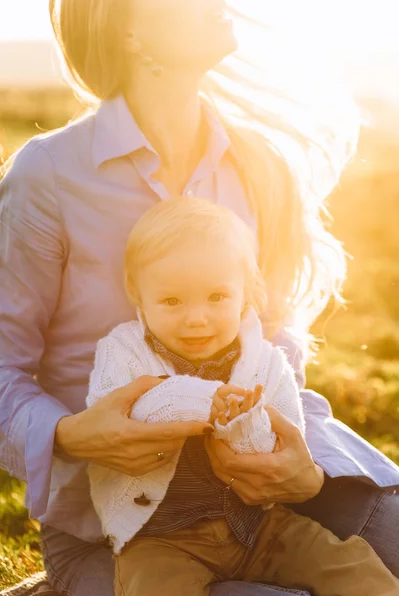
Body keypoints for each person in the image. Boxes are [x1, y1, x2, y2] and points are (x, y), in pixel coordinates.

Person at [0, 0, 398, 595]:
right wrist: (73, 434)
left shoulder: (256, 164)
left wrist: (295, 462)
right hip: (124, 527)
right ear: (131, 33)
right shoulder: (48, 175)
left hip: (272, 497)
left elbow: (274, 326)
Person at [86, 197, 399, 596]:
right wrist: (206, 401)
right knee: (154, 587)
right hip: (161, 538)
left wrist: (245, 421)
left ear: (245, 292)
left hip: (261, 526)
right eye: (172, 301)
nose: (196, 317)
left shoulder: (264, 360)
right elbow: (126, 415)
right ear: (137, 292)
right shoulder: (124, 351)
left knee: (353, 566)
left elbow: (281, 435)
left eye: (216, 297)